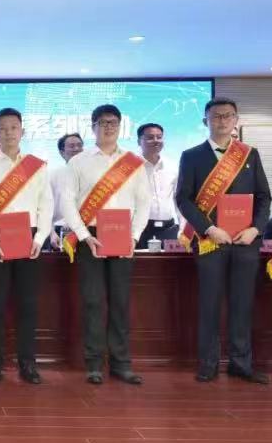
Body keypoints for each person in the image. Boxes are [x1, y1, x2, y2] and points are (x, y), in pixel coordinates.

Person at [175, 97, 271, 384]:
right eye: (216, 116)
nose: (222, 120)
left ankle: (241, 363)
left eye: (228, 116)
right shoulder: (191, 156)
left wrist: (255, 229)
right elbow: (183, 199)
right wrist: (208, 228)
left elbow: (264, 197)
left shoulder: (250, 154)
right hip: (210, 242)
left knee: (242, 303)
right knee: (210, 303)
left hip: (245, 242)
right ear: (205, 120)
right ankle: (208, 363)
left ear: (236, 120)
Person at [62, 104, 151, 386]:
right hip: (90, 237)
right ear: (93, 127)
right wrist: (83, 235)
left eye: (113, 122)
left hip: (123, 236)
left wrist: (134, 237)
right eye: (103, 122)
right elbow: (67, 201)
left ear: (120, 126)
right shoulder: (78, 162)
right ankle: (94, 364)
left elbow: (143, 203)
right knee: (93, 302)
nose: (108, 127)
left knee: (120, 302)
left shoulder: (134, 163)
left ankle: (121, 364)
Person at [0, 108, 54, 384]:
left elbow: (46, 205)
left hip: (30, 240)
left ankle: (27, 362)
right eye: (2, 128)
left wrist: (40, 238)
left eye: (13, 127)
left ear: (22, 131)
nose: (8, 133)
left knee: (27, 304)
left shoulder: (37, 166)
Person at [137, 123, 179, 248]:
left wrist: (183, 227)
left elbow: (179, 199)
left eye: (159, 137)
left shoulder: (172, 166)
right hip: (140, 230)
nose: (156, 140)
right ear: (139, 141)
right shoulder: (131, 168)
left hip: (169, 229)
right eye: (150, 137)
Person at [48, 132, 84, 250]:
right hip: (60, 231)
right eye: (72, 146)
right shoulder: (52, 175)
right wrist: (51, 233)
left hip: (87, 231)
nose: (77, 149)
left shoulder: (93, 175)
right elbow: (45, 209)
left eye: (79, 145)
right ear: (62, 152)